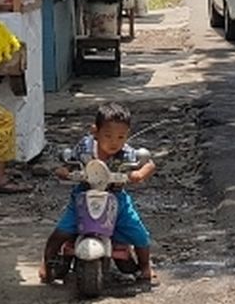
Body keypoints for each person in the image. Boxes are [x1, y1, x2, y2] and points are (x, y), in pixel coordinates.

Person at [40, 102, 157, 285]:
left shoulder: (126, 153)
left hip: (116, 198)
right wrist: (64, 171)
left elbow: (149, 163)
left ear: (127, 135)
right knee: (61, 232)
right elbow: (68, 162)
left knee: (139, 234)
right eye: (108, 136)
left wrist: (139, 174)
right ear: (95, 131)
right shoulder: (85, 148)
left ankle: (145, 267)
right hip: (83, 194)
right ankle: (47, 265)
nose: (114, 142)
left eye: (120, 137)